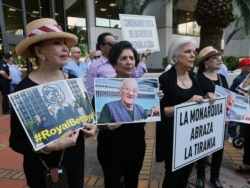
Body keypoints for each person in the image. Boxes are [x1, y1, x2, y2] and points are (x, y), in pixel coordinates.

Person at [9, 18, 96, 188]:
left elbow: (87, 119)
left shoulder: (73, 81)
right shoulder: (24, 89)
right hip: (41, 170)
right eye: (57, 43)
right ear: (39, 51)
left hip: (75, 164)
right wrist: (48, 147)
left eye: (65, 43)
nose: (66, 48)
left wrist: (91, 127)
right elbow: (16, 141)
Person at [95, 41, 163, 188]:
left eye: (132, 58)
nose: (129, 62)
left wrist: (156, 99)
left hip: (136, 148)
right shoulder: (103, 95)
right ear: (114, 64)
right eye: (123, 58)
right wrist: (105, 127)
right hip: (110, 150)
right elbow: (96, 123)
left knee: (132, 182)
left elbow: (151, 113)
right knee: (112, 183)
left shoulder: (142, 93)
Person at [156, 37, 216, 188]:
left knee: (185, 176)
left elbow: (198, 100)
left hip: (190, 139)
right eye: (187, 51)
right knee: (172, 177)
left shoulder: (194, 76)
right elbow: (161, 112)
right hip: (172, 139)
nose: (192, 55)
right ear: (175, 57)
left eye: (194, 52)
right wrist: (185, 104)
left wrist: (207, 97)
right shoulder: (165, 79)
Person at [196, 46, 229, 188]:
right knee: (202, 149)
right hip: (202, 120)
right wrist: (205, 96)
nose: (219, 60)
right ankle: (201, 177)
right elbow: (195, 98)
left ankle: (215, 177)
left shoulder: (221, 78)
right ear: (205, 62)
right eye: (214, 58)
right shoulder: (197, 78)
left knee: (218, 149)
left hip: (220, 120)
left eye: (219, 57)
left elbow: (227, 96)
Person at [85, 32, 151, 100]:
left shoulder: (128, 69)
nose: (128, 62)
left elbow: (137, 74)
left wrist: (144, 56)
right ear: (101, 46)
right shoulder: (95, 66)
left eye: (131, 58)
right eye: (111, 44)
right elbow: (90, 91)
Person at [227, 58, 250, 142]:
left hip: (245, 103)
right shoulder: (239, 79)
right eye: (247, 65)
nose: (249, 67)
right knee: (234, 121)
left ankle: (241, 136)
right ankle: (232, 135)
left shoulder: (247, 78)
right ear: (242, 67)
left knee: (244, 121)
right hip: (238, 103)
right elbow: (232, 91)